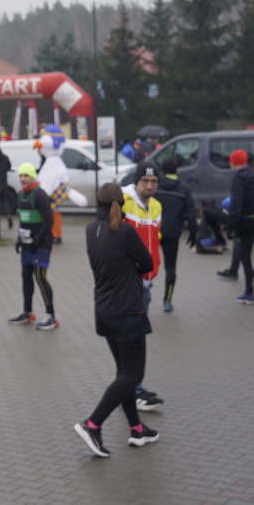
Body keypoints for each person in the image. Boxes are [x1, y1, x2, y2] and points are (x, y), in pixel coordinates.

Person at [74, 183, 159, 458]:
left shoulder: (90, 230)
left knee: (123, 373)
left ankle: (136, 428)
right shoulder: (125, 231)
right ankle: (91, 424)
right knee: (133, 375)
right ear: (121, 203)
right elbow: (147, 264)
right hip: (128, 313)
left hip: (104, 313)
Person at [120, 160, 164, 412]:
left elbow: (155, 241)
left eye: (154, 182)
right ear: (136, 182)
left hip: (147, 282)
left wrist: (154, 268)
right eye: (145, 181)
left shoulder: (157, 206)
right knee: (133, 339)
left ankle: (134, 387)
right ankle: (134, 391)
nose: (149, 186)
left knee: (137, 337)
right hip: (130, 283)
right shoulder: (124, 202)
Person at [10, 162, 58, 330]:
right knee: (26, 276)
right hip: (27, 244)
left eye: (26, 175)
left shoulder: (40, 195)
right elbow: (23, 220)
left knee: (40, 276)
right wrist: (18, 239)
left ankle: (51, 315)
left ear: (33, 177)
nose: (23, 179)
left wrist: (38, 239)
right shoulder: (19, 196)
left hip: (42, 243)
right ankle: (27, 312)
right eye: (21, 176)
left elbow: (49, 221)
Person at [155, 158, 198, 312]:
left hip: (153, 232)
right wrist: (194, 235)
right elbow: (191, 216)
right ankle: (167, 301)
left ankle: (144, 289)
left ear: (162, 171)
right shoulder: (184, 189)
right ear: (176, 171)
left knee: (145, 264)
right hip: (172, 234)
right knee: (170, 268)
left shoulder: (155, 186)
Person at [227, 149, 254, 305]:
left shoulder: (238, 178)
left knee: (245, 257)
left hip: (244, 223)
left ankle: (249, 293)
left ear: (234, 162)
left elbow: (236, 205)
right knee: (250, 254)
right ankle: (249, 291)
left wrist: (230, 227)